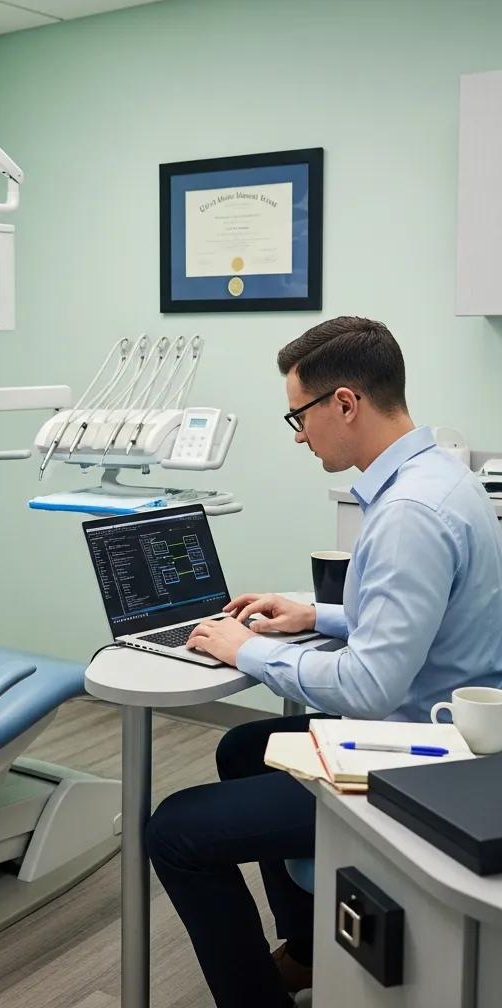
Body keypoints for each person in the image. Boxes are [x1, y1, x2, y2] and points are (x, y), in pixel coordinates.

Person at [145, 316, 502, 1008]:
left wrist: (248, 649)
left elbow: (368, 688)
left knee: (175, 830)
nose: (299, 436)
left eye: (299, 416)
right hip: (447, 724)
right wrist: (315, 617)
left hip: (422, 759)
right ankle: (311, 952)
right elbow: (424, 619)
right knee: (243, 748)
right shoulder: (439, 477)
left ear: (344, 403)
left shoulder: (410, 513)